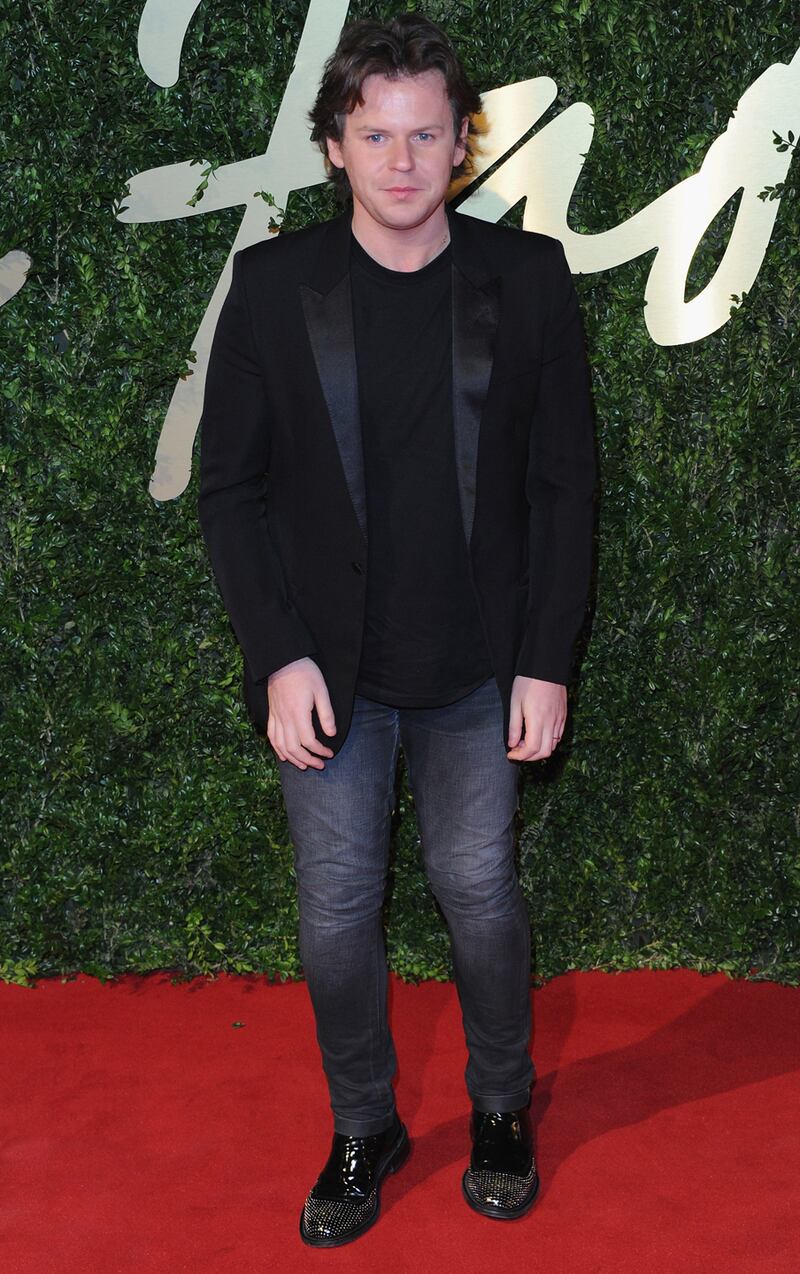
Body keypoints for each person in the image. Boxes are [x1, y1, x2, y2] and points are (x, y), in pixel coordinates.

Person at [197, 12, 596, 1248]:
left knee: (478, 889)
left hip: (479, 665)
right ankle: (363, 1126)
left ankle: (499, 1106)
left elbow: (563, 487)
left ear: (461, 143)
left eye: (426, 134)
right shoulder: (273, 287)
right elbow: (230, 490)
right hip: (330, 674)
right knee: (333, 911)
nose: (402, 159)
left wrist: (544, 659)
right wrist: (276, 652)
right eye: (375, 135)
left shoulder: (527, 279)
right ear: (333, 146)